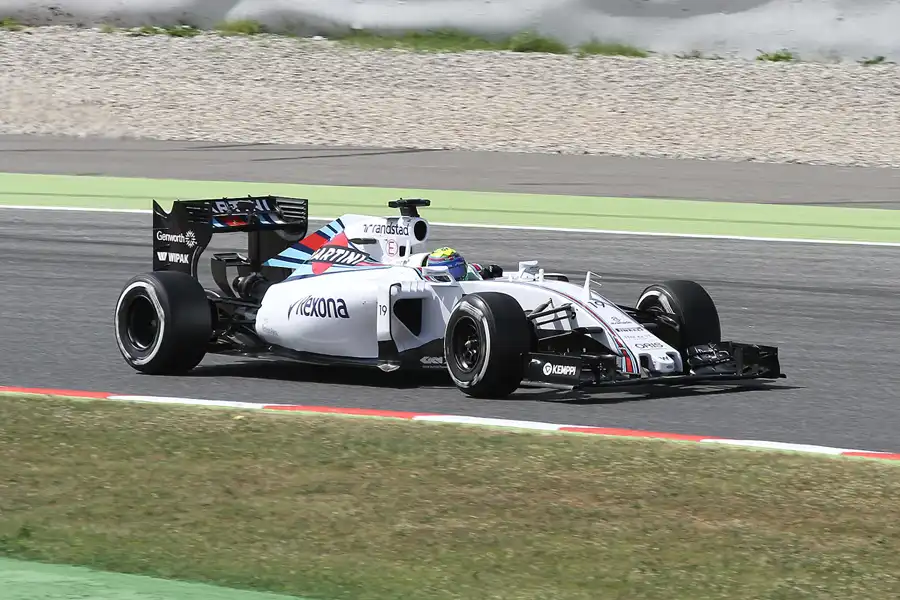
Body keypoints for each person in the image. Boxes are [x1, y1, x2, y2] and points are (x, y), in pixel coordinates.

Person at [424, 247, 502, 281]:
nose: (460, 276)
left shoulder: (472, 272)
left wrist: (489, 272)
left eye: (460, 269)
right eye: (453, 272)